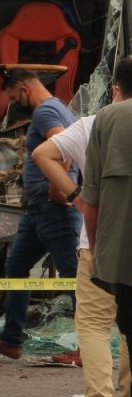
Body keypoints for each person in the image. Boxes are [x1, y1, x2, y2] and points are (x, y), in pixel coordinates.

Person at [34, 57, 132, 397]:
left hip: (98, 240)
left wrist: (75, 194)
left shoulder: (93, 123)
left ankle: (100, 393)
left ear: (115, 89)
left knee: (93, 324)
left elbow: (42, 154)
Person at [0, 68, 81, 359]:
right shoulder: (58, 107)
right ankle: (11, 339)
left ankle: (86, 349)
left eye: (12, 96)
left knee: (75, 279)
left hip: (54, 210)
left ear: (23, 88)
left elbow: (64, 145)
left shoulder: (45, 112)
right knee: (16, 267)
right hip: (37, 212)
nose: (13, 102)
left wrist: (56, 187)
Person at [85, 58, 132, 379]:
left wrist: (95, 252)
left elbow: (92, 199)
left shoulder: (107, 118)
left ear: (117, 87)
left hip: (122, 258)